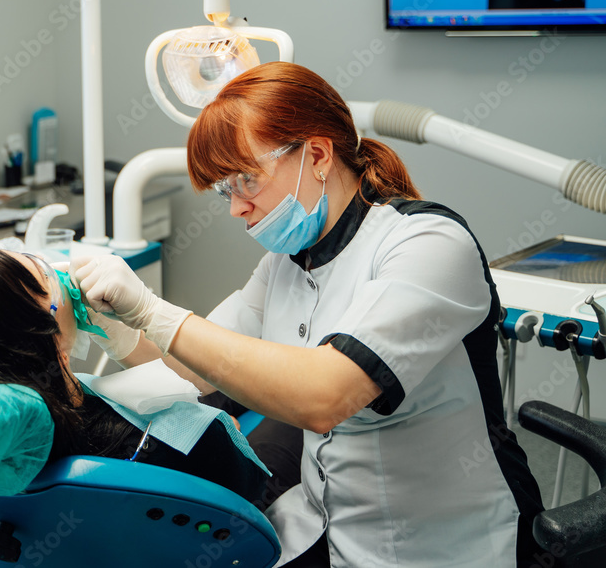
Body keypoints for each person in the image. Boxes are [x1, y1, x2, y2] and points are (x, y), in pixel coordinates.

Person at [71, 62, 547, 567]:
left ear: (317, 154)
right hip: (327, 528)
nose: (236, 209)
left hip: (444, 544)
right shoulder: (283, 264)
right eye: (223, 191)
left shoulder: (427, 244)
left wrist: (153, 308)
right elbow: (197, 371)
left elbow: (324, 395)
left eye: (244, 181)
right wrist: (120, 328)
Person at [0, 244, 269, 505]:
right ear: (43, 334)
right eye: (40, 268)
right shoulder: (31, 417)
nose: (59, 268)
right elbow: (238, 468)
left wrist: (124, 338)